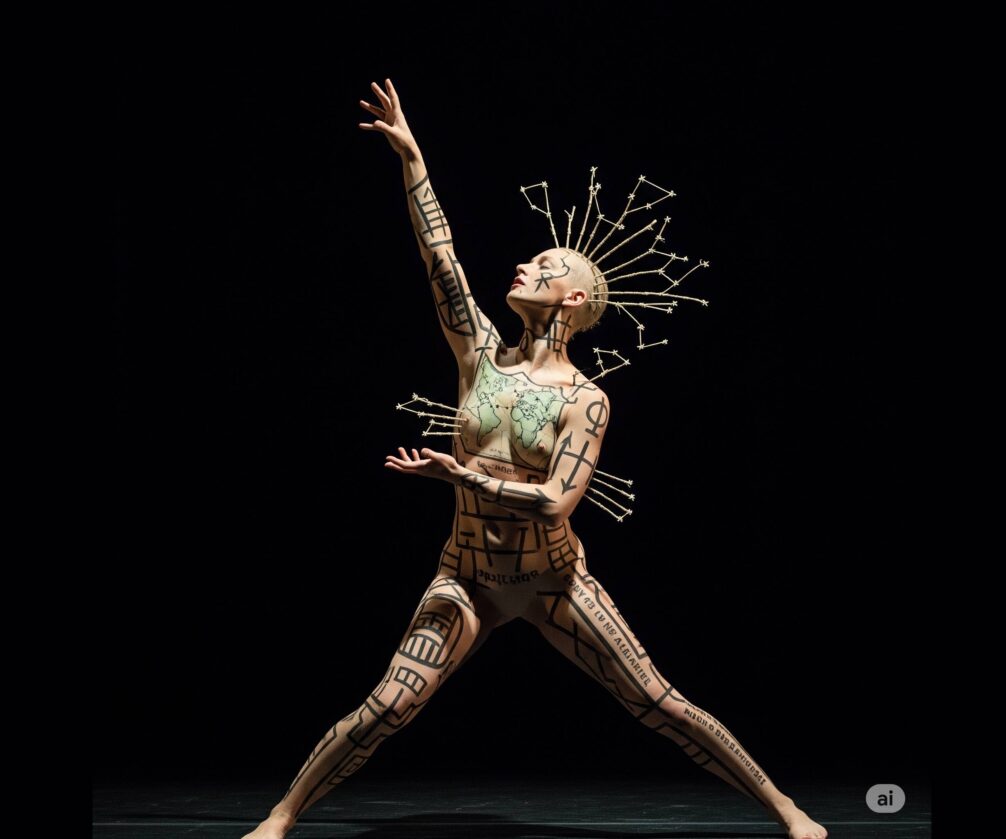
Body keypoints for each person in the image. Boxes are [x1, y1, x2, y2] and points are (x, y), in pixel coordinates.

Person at [241, 78, 827, 839]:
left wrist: (458, 474)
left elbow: (556, 502)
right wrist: (413, 159)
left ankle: (786, 808)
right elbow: (441, 258)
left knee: (658, 701)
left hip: (554, 580)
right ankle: (280, 815)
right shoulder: (480, 357)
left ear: (574, 301)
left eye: (547, 266)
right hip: (467, 576)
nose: (526, 266)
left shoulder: (586, 399)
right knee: (386, 706)